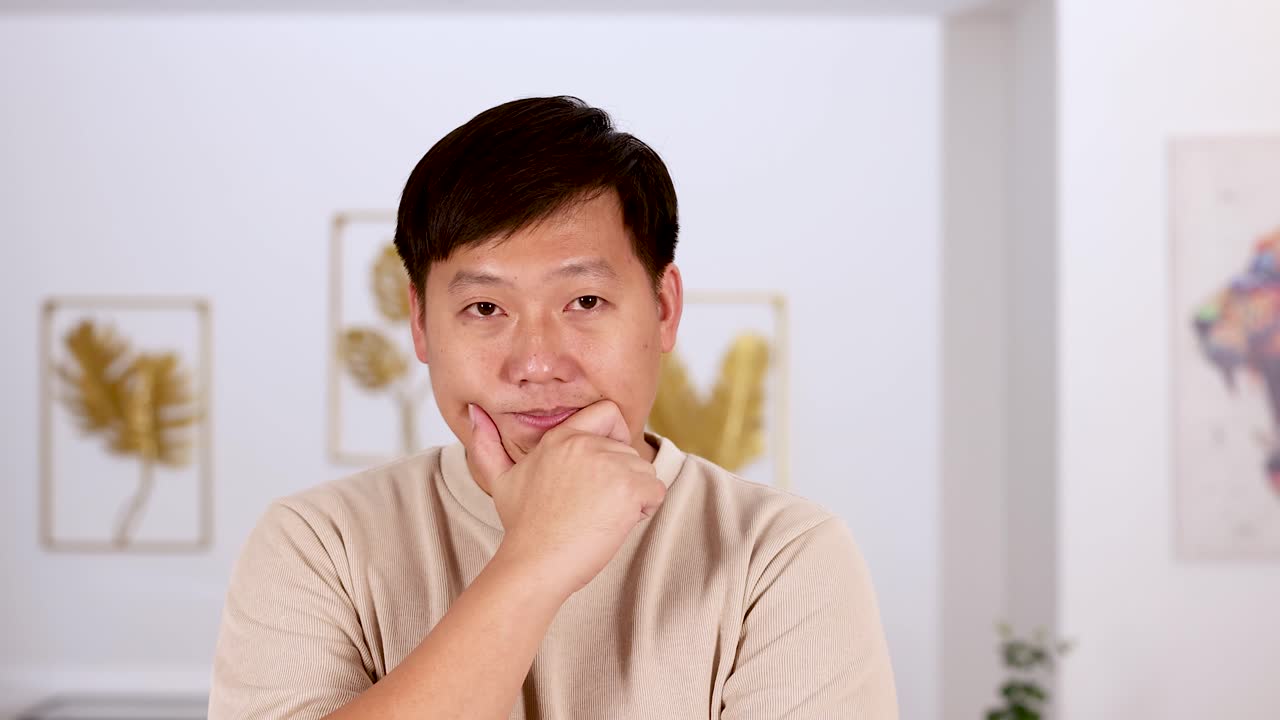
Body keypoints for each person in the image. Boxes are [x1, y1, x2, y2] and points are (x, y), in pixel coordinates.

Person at [208, 96, 898, 719]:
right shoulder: (319, 542)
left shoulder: (777, 555)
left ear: (663, 309)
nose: (536, 362)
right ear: (420, 325)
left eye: (585, 302)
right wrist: (534, 559)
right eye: (484, 308)